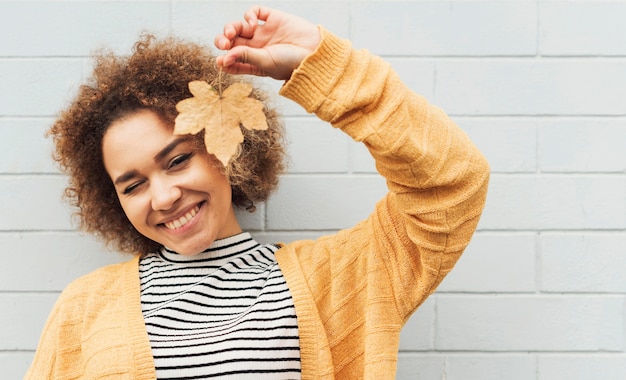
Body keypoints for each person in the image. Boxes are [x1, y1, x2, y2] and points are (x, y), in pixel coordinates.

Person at [25, 5, 489, 379]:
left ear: (226, 150)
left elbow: (451, 182)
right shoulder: (84, 307)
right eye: (134, 184)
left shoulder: (336, 279)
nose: (163, 197)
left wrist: (322, 63)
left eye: (178, 159)